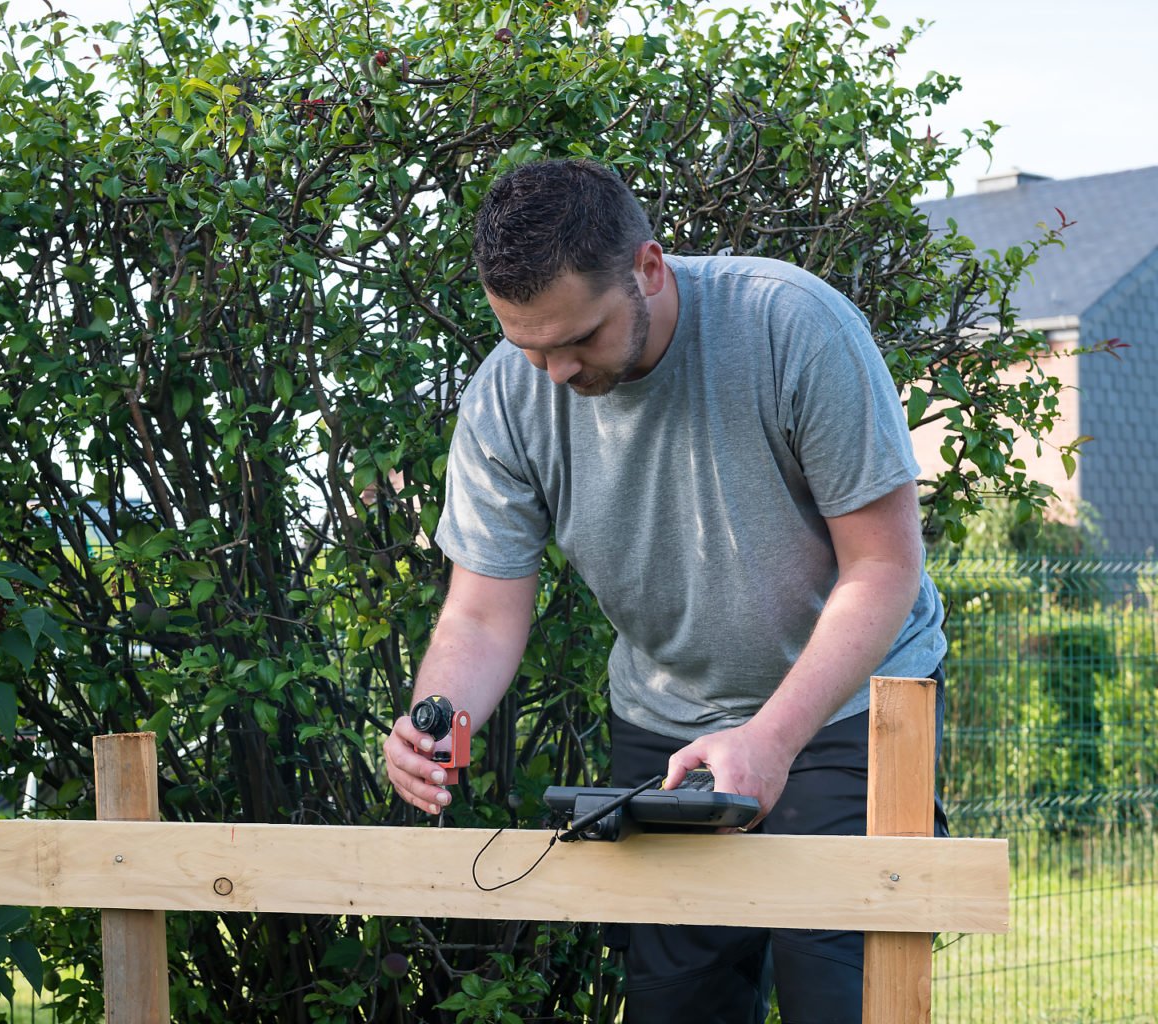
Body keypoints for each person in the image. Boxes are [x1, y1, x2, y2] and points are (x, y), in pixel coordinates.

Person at [381, 158, 947, 1024]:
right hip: (665, 724)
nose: (557, 371)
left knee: (840, 995)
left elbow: (882, 568)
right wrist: (435, 717)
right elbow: (481, 610)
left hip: (849, 715)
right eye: (529, 344)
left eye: (581, 337)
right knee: (676, 1007)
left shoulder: (790, 325)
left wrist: (770, 738)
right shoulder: (508, 393)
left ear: (648, 268)